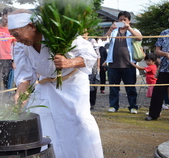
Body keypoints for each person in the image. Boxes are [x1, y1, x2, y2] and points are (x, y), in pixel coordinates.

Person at [9, 9, 103, 158]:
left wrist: (69, 62)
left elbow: (90, 55)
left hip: (73, 83)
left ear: (32, 26)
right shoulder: (21, 46)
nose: (16, 39)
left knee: (79, 121)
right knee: (44, 121)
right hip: (47, 85)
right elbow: (25, 75)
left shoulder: (58, 34)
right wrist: (20, 94)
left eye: (16, 34)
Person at [103, 11, 142, 114]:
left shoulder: (133, 30)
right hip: (113, 64)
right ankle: (113, 106)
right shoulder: (114, 31)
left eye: (125, 20)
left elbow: (139, 38)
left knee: (130, 87)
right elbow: (103, 39)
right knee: (113, 87)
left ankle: (133, 106)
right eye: (120, 20)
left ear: (129, 20)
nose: (122, 21)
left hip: (129, 64)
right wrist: (110, 29)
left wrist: (129, 28)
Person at [145, 24, 169, 121]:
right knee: (158, 91)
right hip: (165, 68)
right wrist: (166, 54)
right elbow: (157, 51)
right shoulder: (164, 33)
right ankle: (153, 114)